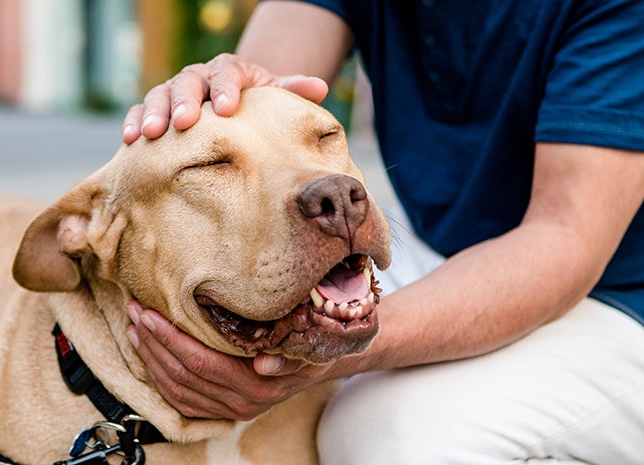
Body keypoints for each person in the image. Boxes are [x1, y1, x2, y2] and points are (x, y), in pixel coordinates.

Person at [121, 1, 644, 463]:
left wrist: (323, 357)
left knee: (389, 436)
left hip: (618, 293)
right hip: (443, 247)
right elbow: (256, 102)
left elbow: (563, 238)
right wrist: (223, 86)